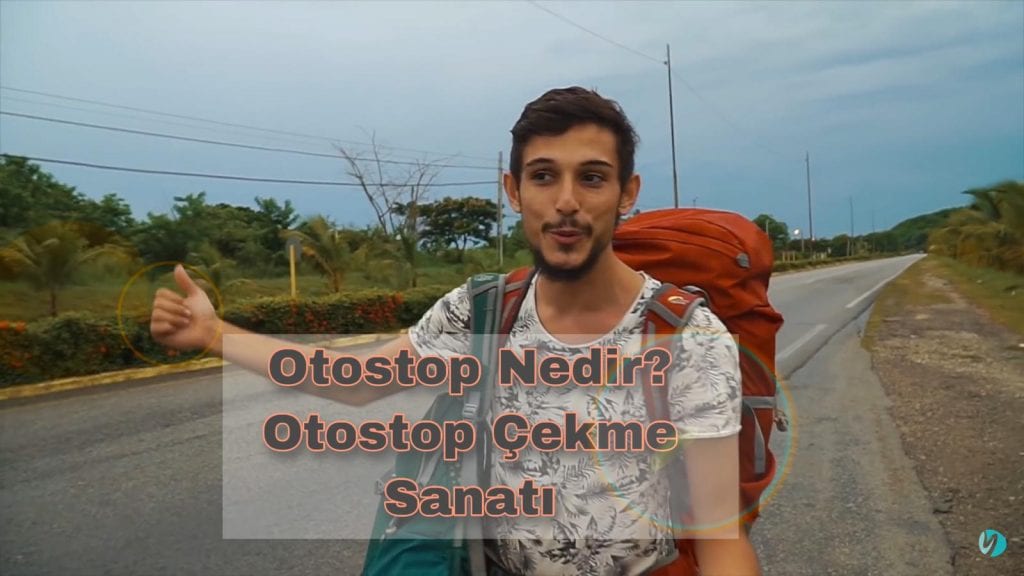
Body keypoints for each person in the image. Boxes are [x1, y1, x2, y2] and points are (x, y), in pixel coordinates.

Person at [150, 86, 762, 576]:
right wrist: (214, 334)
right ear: (513, 191)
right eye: (543, 176)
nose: (566, 201)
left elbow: (719, 537)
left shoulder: (686, 337)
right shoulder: (482, 311)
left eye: (593, 178)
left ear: (628, 193)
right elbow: (356, 380)